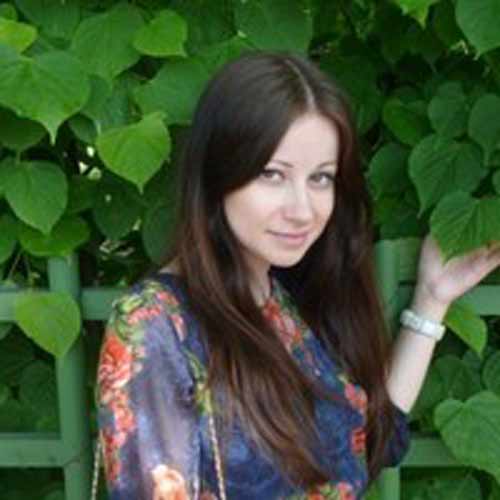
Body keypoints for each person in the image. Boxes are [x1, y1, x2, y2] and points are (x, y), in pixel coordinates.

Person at [94, 51, 500, 500]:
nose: (302, 210)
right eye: (272, 174)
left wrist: (433, 298)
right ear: (217, 174)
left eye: (321, 178)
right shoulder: (155, 324)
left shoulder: (284, 299)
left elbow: (365, 449)